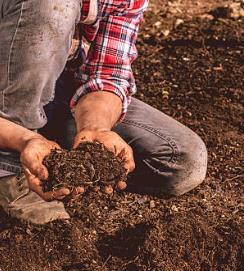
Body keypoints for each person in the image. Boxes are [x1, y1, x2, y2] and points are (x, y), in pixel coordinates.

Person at [0, 0, 207, 225]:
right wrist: (22, 138)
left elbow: (108, 74)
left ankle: (42, 159)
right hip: (8, 106)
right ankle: (8, 170)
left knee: (181, 159)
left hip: (52, 90)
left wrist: (94, 128)